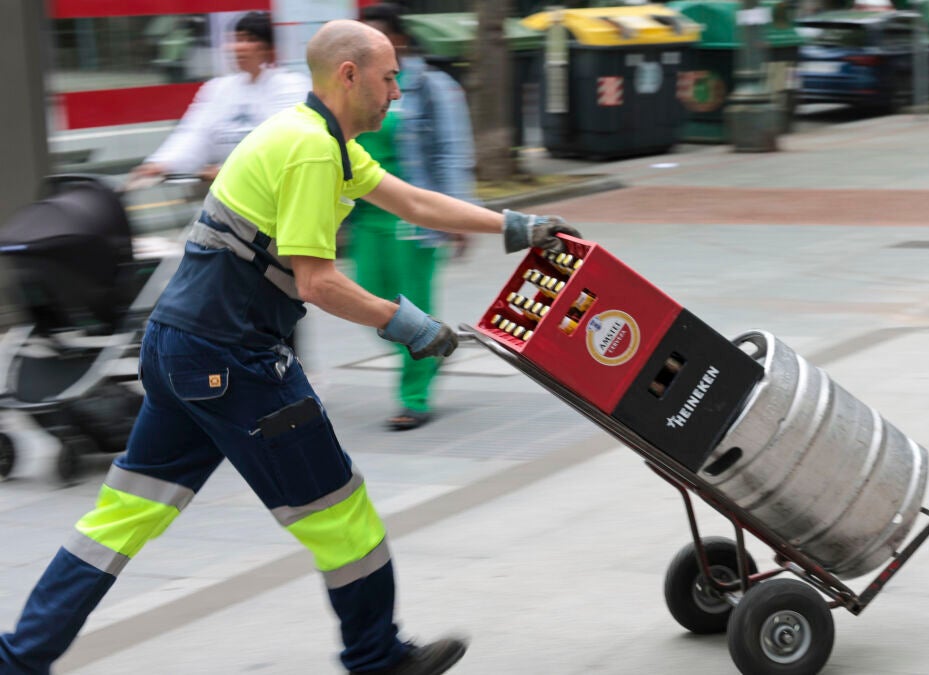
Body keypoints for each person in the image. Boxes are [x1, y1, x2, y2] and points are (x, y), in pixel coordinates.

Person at [0, 19, 579, 675]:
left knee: (120, 520)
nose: (397, 93)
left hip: (179, 349)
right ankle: (377, 658)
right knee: (341, 516)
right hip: (233, 359)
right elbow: (317, 283)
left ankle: (18, 659)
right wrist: (410, 326)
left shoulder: (313, 136)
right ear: (349, 75)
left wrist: (517, 227)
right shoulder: (311, 151)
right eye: (389, 78)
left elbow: (413, 202)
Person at [352, 3, 475, 431]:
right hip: (366, 215)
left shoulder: (431, 85)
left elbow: (451, 152)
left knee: (412, 306)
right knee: (367, 303)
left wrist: (457, 215)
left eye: (378, 38)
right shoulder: (357, 87)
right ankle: (432, 346)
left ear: (399, 40)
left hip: (412, 216)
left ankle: (414, 396)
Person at [130, 11, 310, 183]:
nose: (238, 47)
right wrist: (161, 164)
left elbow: (280, 142)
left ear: (269, 48)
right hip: (228, 192)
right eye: (236, 39)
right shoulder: (218, 88)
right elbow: (195, 134)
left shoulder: (291, 87)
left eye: (250, 40)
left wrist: (227, 169)